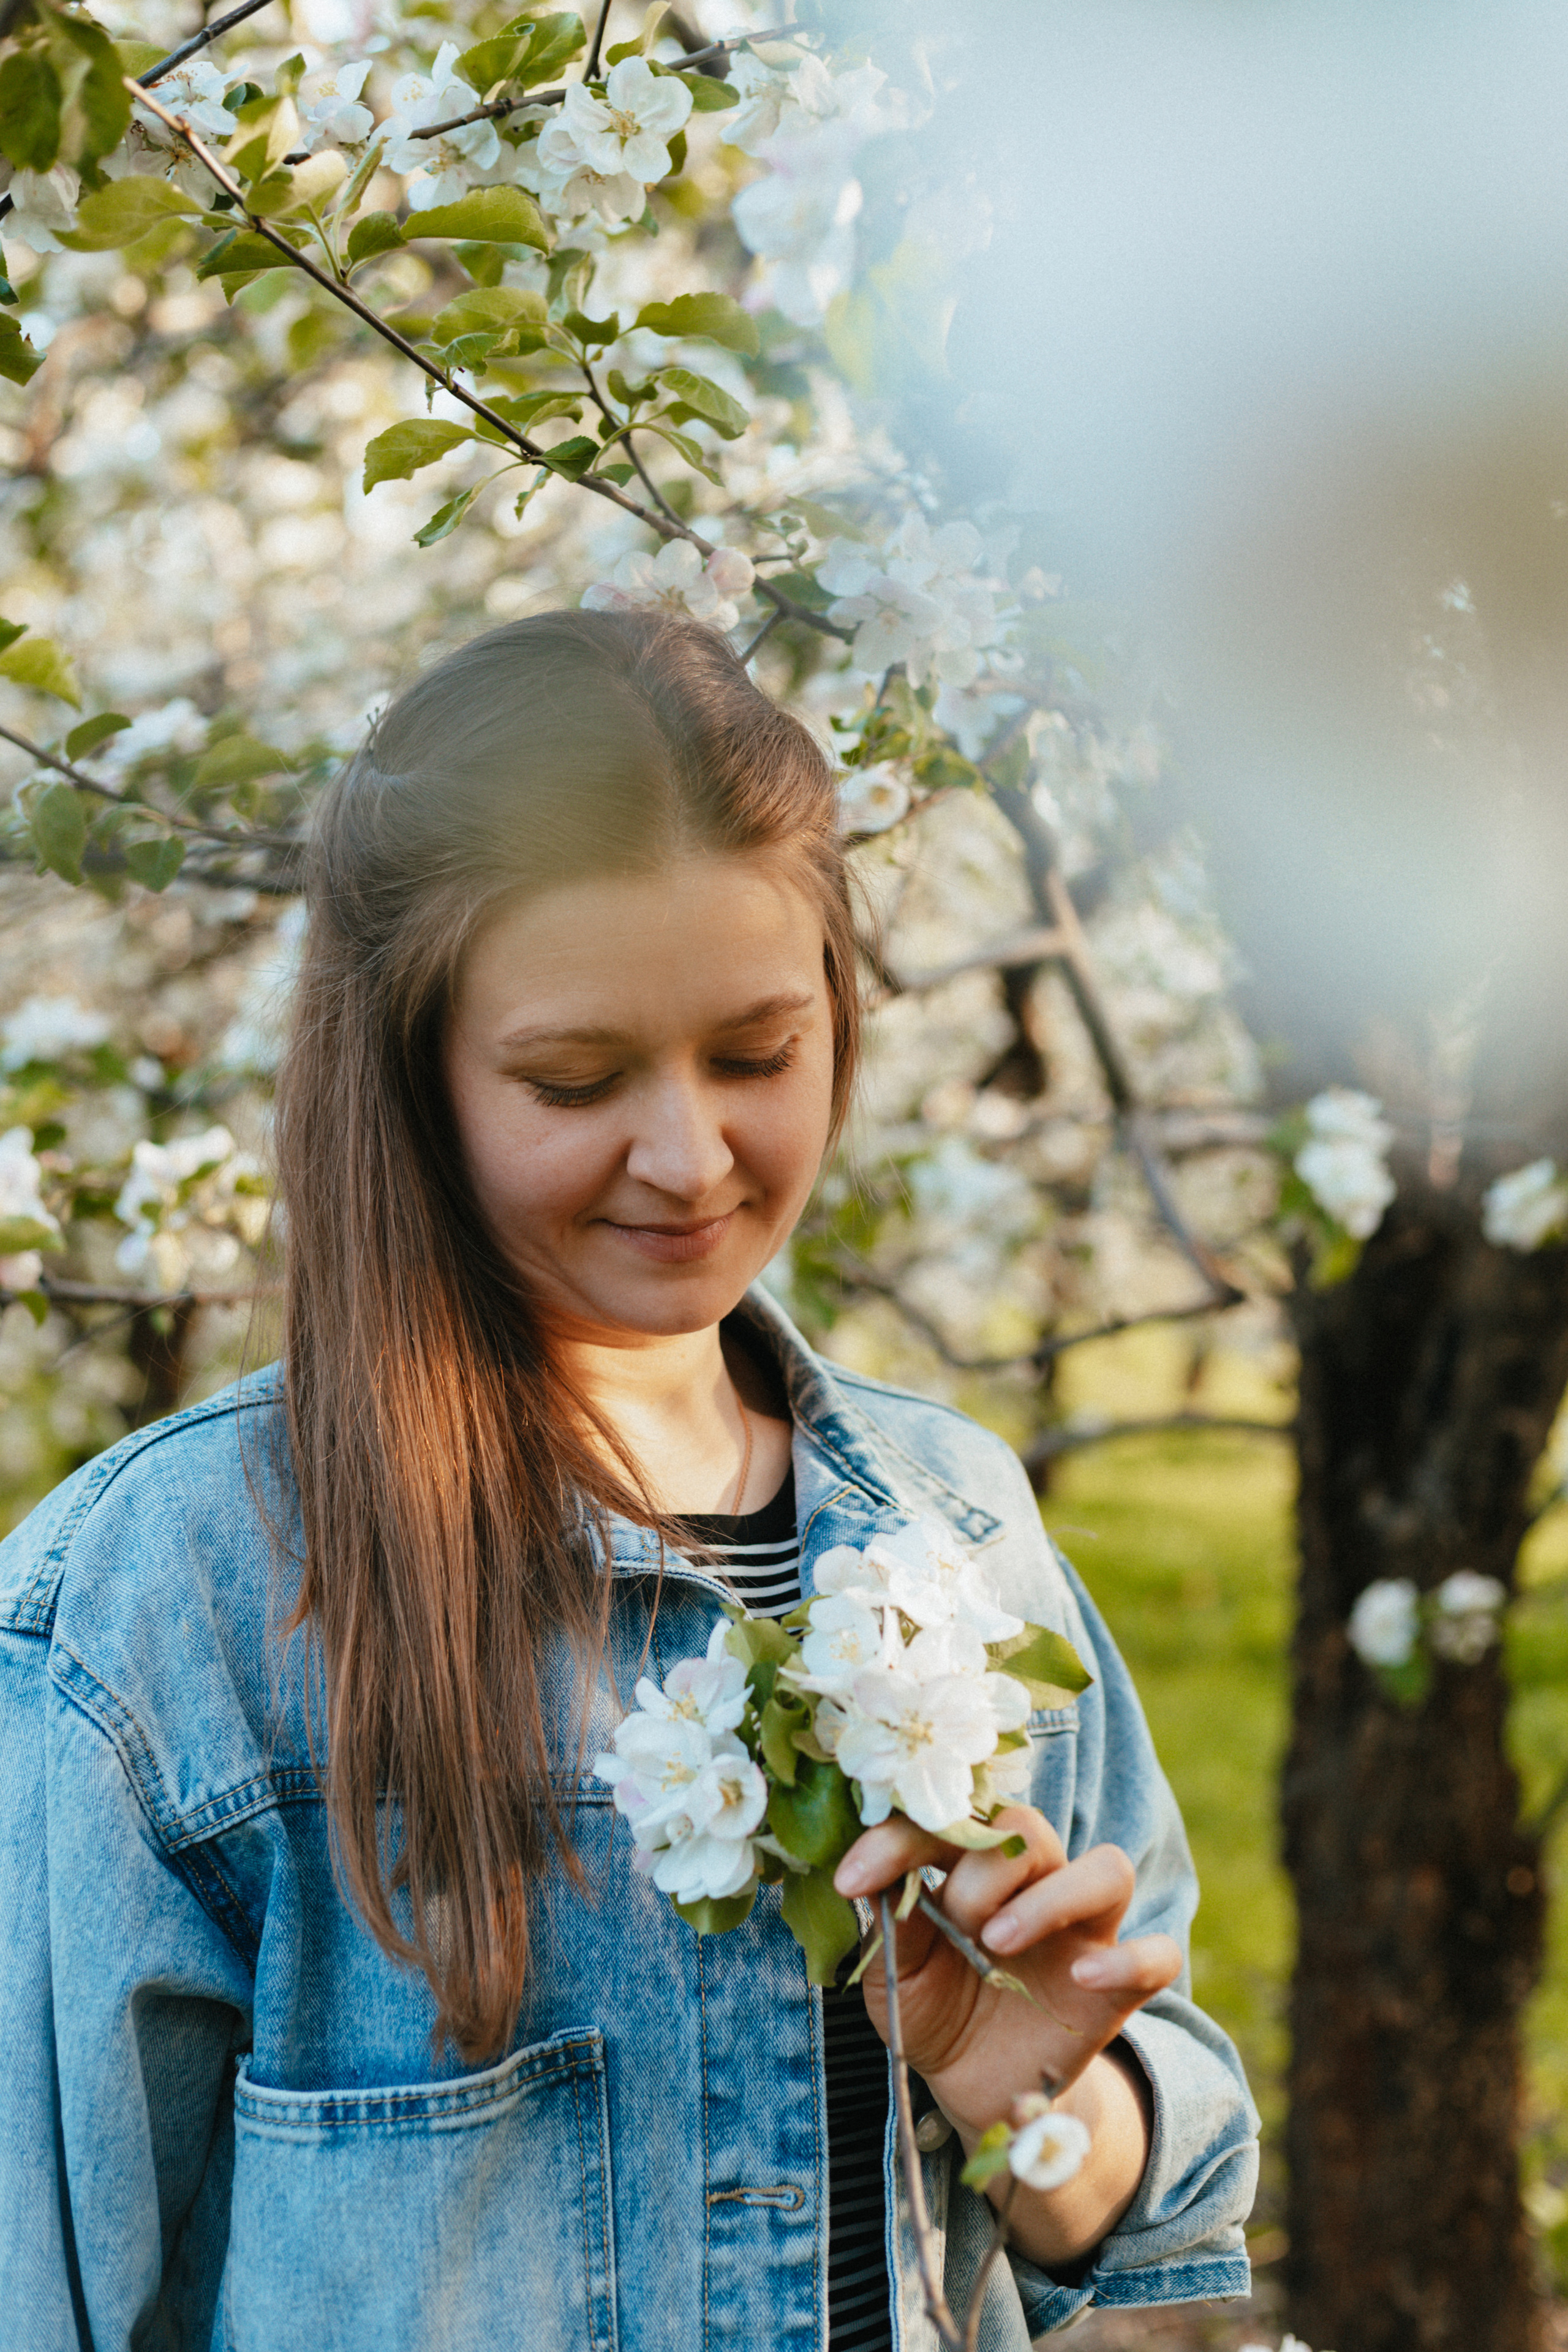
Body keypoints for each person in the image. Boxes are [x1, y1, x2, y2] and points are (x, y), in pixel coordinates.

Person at [0, 611, 1257, 2352]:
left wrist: (1031, 2106)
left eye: (758, 1053)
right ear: (413, 1078)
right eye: (577, 1080)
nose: (689, 1158)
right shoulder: (168, 1608)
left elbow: (1151, 2202)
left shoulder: (951, 1526)